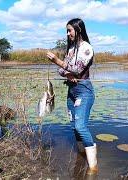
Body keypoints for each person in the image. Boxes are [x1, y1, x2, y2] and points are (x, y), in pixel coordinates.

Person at [46, 18, 97, 175]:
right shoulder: (71, 49)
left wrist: (56, 60)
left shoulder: (86, 48)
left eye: (70, 30)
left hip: (84, 91)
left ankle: (94, 167)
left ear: (78, 30)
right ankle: (82, 156)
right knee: (75, 127)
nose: (68, 34)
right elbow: (62, 71)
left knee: (80, 126)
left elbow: (77, 68)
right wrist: (67, 73)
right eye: (66, 31)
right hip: (71, 92)